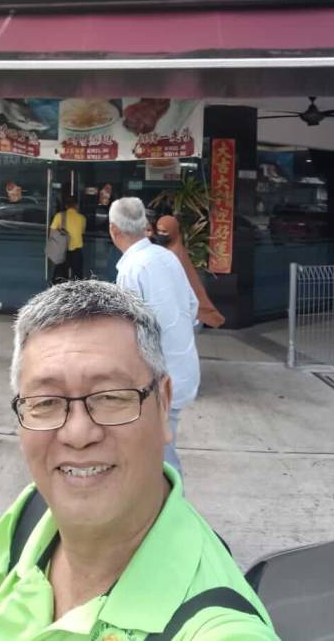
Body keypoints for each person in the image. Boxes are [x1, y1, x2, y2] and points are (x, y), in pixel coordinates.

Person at [0, 280, 279, 640]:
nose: (78, 433)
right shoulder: (30, 515)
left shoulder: (220, 632)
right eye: (46, 402)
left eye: (111, 397)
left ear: (164, 404)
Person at [109, 197, 199, 476]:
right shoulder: (167, 257)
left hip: (159, 377)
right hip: (182, 369)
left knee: (160, 456)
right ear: (145, 226)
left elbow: (130, 331)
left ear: (114, 230)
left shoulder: (132, 269)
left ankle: (172, 499)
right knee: (160, 445)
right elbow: (193, 306)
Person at [156, 215, 226, 329]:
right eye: (158, 231)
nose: (161, 234)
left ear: (173, 231)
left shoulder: (174, 253)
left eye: (164, 232)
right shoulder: (171, 248)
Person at [50, 194, 87, 282]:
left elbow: (52, 232)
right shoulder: (82, 218)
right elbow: (82, 232)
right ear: (76, 205)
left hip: (62, 251)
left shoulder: (59, 216)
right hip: (76, 252)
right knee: (77, 277)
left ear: (66, 205)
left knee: (59, 277)